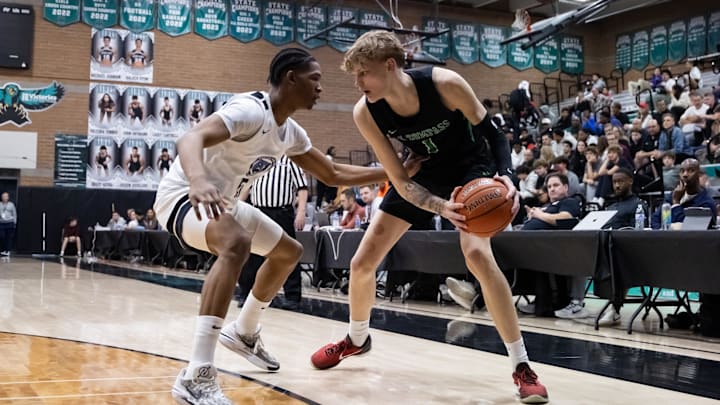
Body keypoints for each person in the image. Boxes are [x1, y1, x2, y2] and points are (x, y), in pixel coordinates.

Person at [153, 48, 413, 405]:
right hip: (184, 196)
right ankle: (197, 374)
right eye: (315, 79)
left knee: (289, 251)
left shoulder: (289, 132)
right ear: (291, 78)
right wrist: (198, 180)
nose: (321, 88)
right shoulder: (250, 110)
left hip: (224, 203)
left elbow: (333, 173)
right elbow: (190, 138)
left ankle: (244, 332)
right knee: (236, 243)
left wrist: (396, 172)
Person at [309, 31, 548, 404]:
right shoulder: (365, 111)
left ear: (390, 65)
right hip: (424, 173)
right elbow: (400, 180)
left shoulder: (445, 84)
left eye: (363, 74)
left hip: (473, 168)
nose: (358, 84)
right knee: (361, 262)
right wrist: (439, 206)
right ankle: (357, 339)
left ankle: (522, 366)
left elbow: (496, 137)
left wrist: (508, 176)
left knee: (477, 255)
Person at [236, 154, 309, 311]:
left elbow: (302, 188)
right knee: (251, 254)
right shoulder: (258, 160)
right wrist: (237, 208)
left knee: (288, 253)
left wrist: (301, 211)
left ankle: (292, 297)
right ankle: (246, 293)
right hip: (257, 211)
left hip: (281, 213)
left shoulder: (290, 160)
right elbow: (247, 187)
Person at [650, 158, 717, 229]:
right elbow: (655, 219)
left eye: (691, 170)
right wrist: (662, 233)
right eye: (682, 171)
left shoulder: (706, 203)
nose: (685, 174)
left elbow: (686, 230)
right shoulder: (673, 195)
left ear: (699, 174)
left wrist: (676, 203)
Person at [0, 192, 17, 256]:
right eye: (3, 196)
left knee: (9, 238)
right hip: (2, 223)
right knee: (2, 236)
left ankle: (8, 251)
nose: (5, 198)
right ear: (1, 197)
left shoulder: (11, 204)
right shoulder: (0, 204)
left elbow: (14, 214)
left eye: (6, 196)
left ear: (8, 197)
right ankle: (3, 249)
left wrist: (14, 222)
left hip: (10, 223)